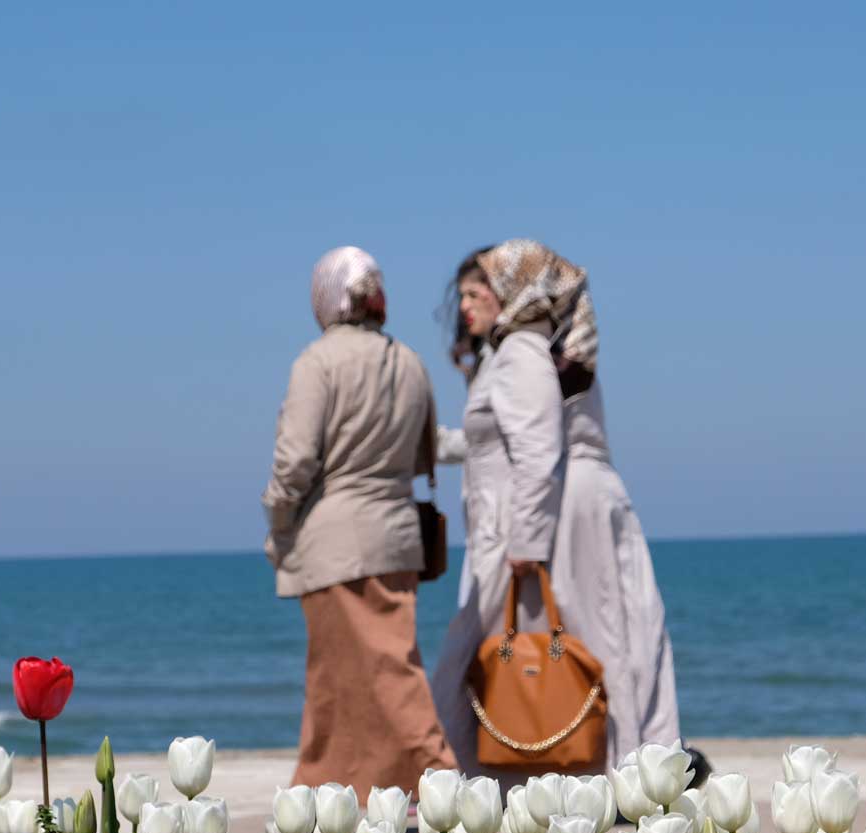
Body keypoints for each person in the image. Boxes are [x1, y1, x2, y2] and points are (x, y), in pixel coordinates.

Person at [431, 239, 682, 772]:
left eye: (480, 291)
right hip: (564, 504)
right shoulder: (545, 349)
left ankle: (601, 768)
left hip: (556, 510)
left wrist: (525, 541)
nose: (469, 306)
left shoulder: (522, 351)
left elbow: (536, 448)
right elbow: (496, 441)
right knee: (611, 636)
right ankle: (626, 765)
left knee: (588, 640)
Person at [263, 246, 456, 796]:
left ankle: (438, 781)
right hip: (396, 534)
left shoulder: (317, 362)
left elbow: (295, 460)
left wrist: (277, 519)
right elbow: (424, 454)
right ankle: (338, 792)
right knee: (356, 674)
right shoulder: (409, 360)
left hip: (334, 537)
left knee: (357, 677)